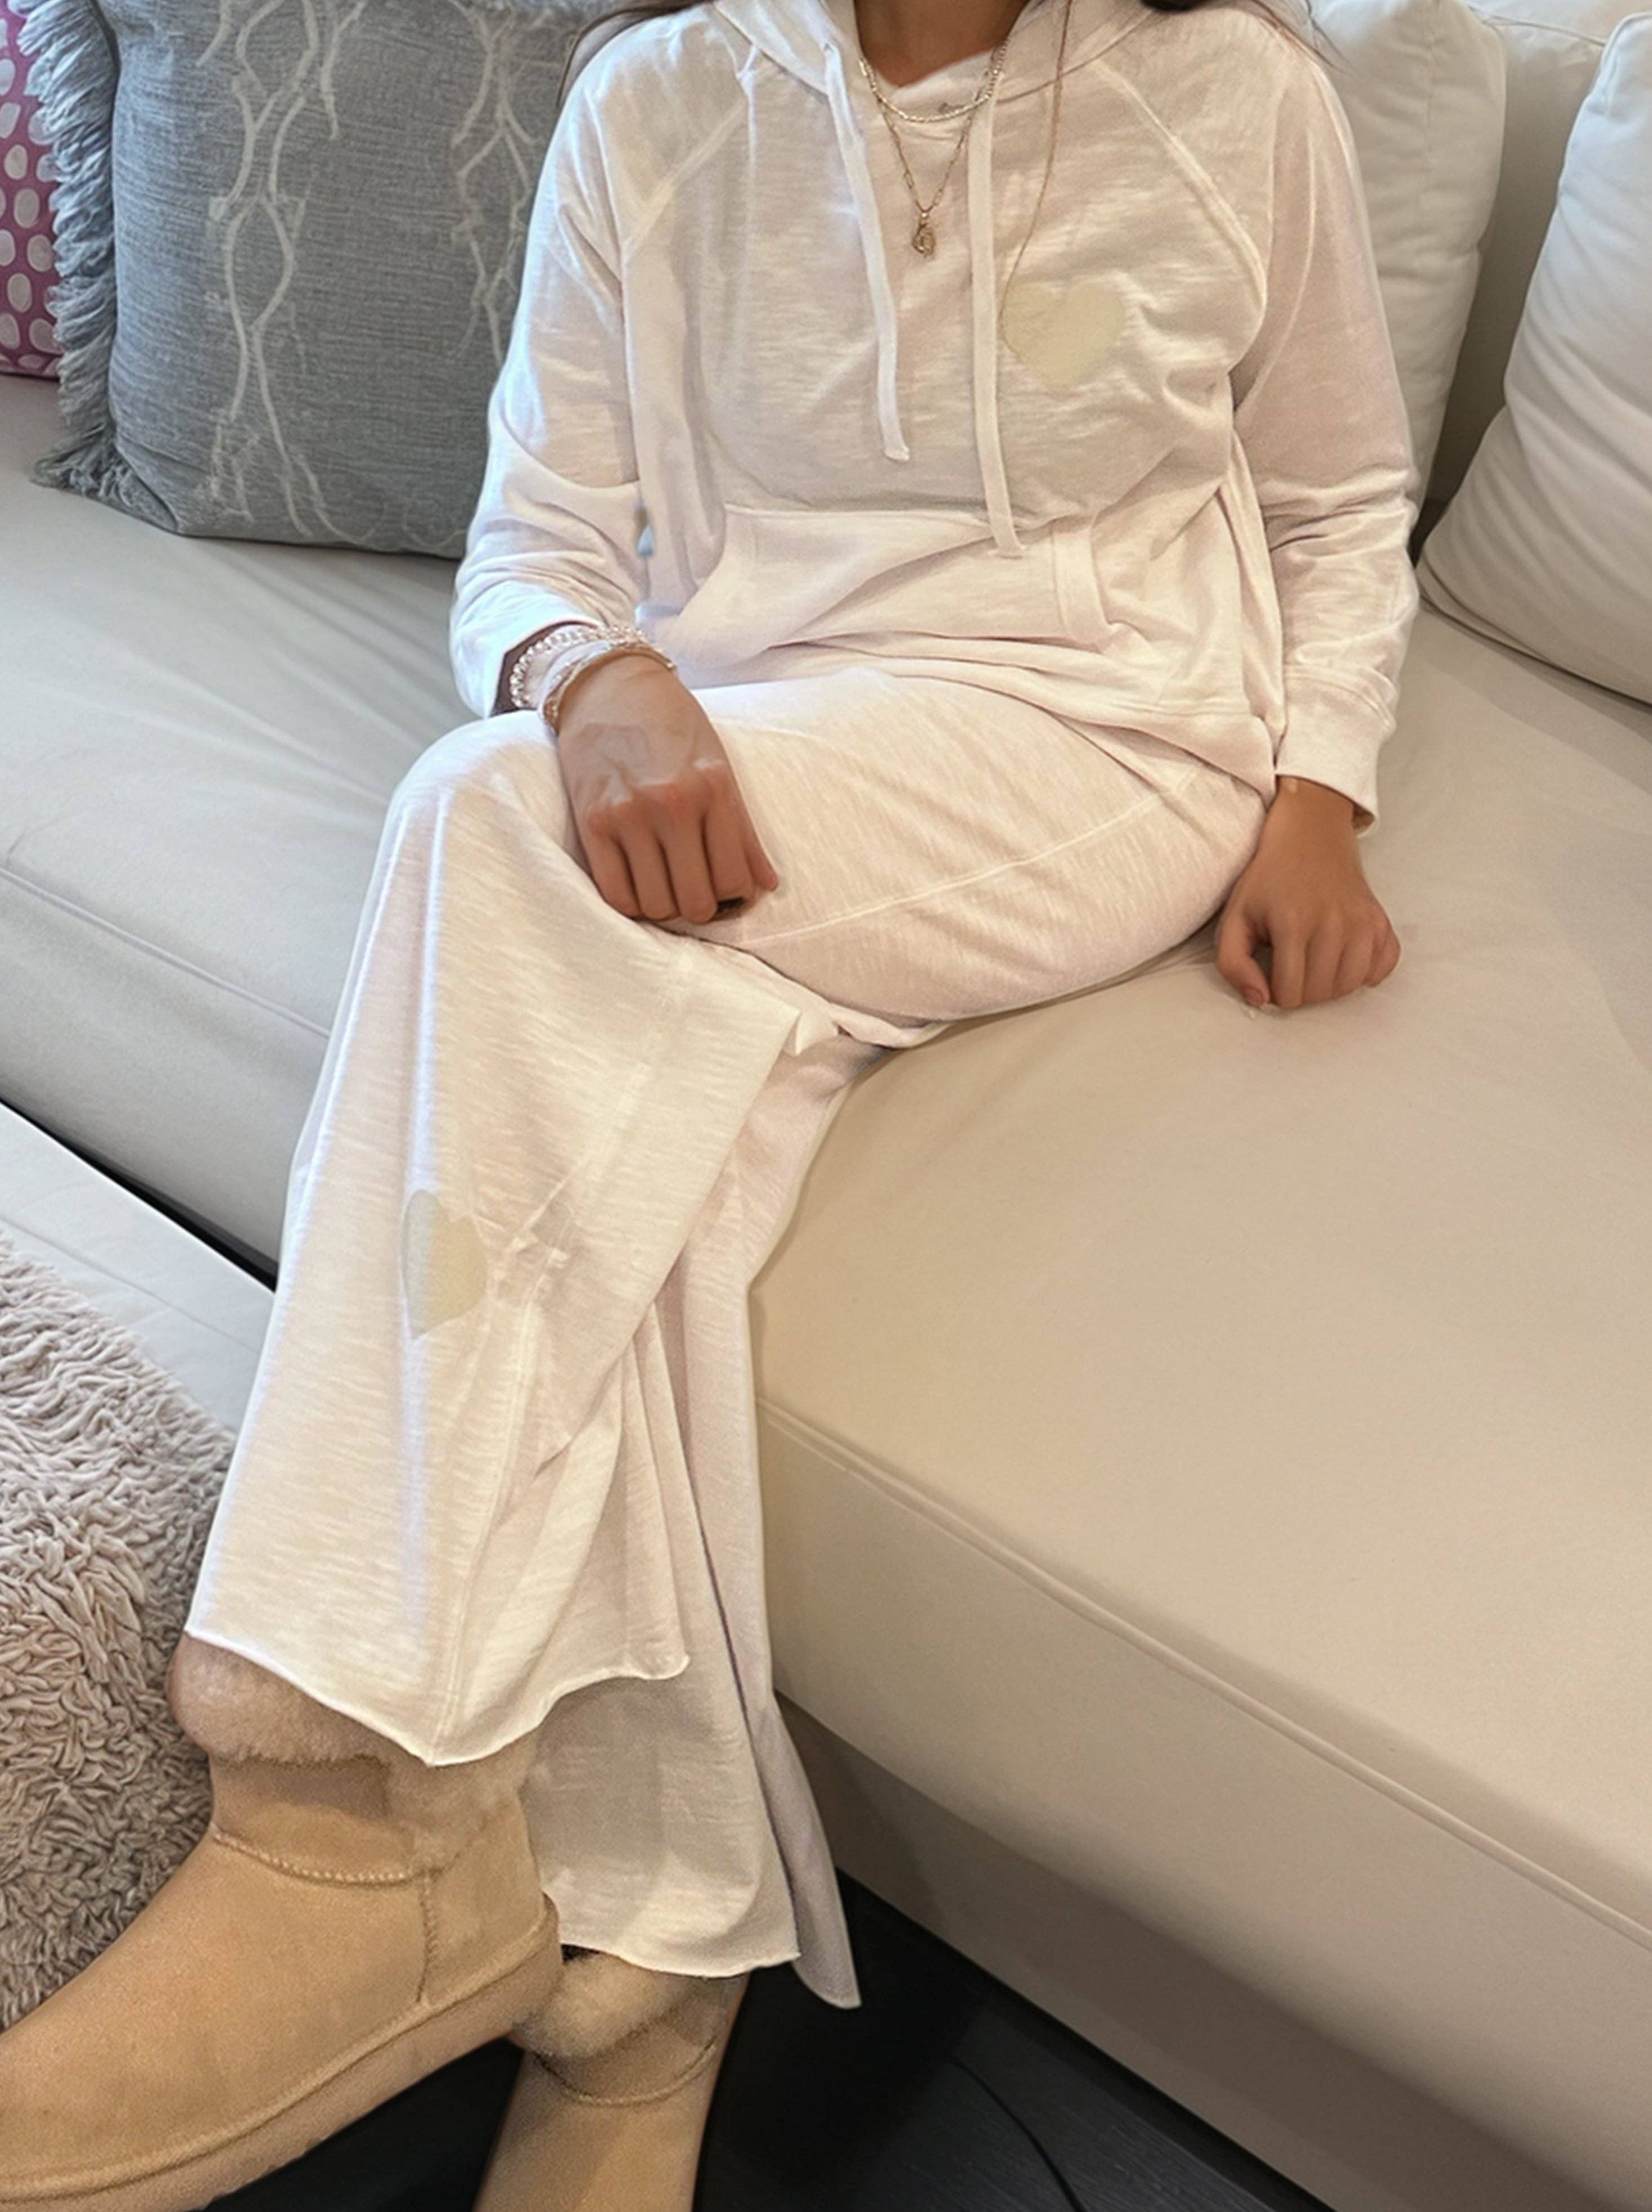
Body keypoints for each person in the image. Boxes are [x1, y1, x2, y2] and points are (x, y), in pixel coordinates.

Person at [0, 0, 1418, 2207]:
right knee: (660, 1139)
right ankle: (645, 1991)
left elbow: (1333, 495)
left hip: (1113, 742)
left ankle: (347, 1808)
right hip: (760, 743)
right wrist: (592, 673)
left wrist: (1320, 792)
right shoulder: (655, 100)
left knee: (482, 829)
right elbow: (539, 533)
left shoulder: (1240, 92)